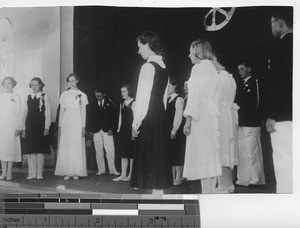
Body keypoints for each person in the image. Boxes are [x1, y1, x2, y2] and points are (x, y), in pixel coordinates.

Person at [131, 31, 173, 191]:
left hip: (148, 116)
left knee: (149, 160)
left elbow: (142, 97)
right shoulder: (164, 67)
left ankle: (154, 203)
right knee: (158, 161)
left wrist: (136, 123)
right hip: (160, 116)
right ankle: (157, 200)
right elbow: (163, 98)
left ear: (147, 45)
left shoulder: (147, 67)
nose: (138, 51)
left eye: (140, 47)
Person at [183, 39, 222, 194]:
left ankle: (206, 195)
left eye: (190, 51)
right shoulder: (213, 69)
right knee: (210, 157)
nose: (188, 54)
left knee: (202, 157)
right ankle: (210, 193)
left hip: (200, 116)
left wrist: (188, 119)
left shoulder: (198, 69)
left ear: (197, 51)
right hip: (211, 116)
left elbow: (194, 96)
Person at [265, 7, 293, 193]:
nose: (271, 26)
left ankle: (286, 198)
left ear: (281, 23)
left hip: (283, 114)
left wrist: (272, 114)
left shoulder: (280, 47)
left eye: (272, 22)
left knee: (284, 156)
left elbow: (279, 83)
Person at [236, 61, 265, 186]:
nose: (240, 72)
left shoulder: (254, 82)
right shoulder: (242, 84)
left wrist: (257, 118)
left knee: (253, 152)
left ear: (249, 69)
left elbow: (257, 102)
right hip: (242, 123)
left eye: (242, 69)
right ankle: (244, 179)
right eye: (239, 70)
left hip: (252, 123)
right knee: (243, 152)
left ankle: (257, 179)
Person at [54, 73, 88, 180]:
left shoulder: (82, 95)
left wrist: (83, 127)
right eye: (70, 81)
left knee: (76, 145)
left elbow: (83, 111)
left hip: (77, 121)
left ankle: (76, 171)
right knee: (66, 145)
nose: (71, 83)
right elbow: (62, 110)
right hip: (66, 121)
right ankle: (67, 171)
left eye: (73, 80)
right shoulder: (64, 94)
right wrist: (59, 125)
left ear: (77, 81)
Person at [213, 55, 238, 193]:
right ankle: (229, 183)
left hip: (222, 116)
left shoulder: (220, 78)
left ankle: (222, 185)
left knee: (221, 149)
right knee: (228, 148)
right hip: (229, 116)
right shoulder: (231, 78)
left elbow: (217, 101)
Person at [22, 77, 51, 180]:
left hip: (41, 126)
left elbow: (47, 113)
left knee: (40, 150)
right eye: (32, 85)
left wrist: (47, 127)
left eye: (36, 85)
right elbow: (24, 114)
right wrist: (24, 128)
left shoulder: (44, 97)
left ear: (40, 86)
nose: (34, 87)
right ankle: (33, 173)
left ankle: (39, 173)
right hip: (30, 126)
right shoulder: (27, 97)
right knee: (32, 151)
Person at [89, 87, 119, 176]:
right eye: (97, 95)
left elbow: (114, 117)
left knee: (110, 150)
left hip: (107, 130)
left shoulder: (110, 103)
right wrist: (91, 130)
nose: (98, 97)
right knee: (98, 150)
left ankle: (112, 170)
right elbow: (90, 117)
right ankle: (101, 170)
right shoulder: (92, 103)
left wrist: (112, 129)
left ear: (104, 94)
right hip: (96, 130)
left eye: (100, 95)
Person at [0, 76, 22, 181]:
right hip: (2, 127)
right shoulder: (1, 96)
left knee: (10, 149)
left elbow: (19, 114)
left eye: (9, 83)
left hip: (12, 126)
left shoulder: (16, 96)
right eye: (5, 83)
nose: (7, 85)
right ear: (3, 85)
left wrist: (18, 127)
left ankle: (9, 171)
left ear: (13, 84)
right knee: (3, 150)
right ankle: (3, 172)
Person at [113, 84, 135, 182]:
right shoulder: (122, 104)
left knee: (131, 153)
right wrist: (119, 129)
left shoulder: (134, 103)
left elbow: (136, 118)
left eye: (124, 91)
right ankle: (123, 174)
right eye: (121, 92)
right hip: (123, 131)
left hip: (131, 131)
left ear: (129, 91)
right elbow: (120, 119)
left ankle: (130, 175)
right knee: (124, 153)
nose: (122, 94)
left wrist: (135, 131)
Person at [166, 78, 185, 185]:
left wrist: (174, 130)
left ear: (175, 87)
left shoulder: (178, 99)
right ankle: (171, 177)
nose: (167, 88)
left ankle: (178, 178)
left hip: (176, 132)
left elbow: (178, 116)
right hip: (168, 130)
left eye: (169, 86)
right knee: (171, 154)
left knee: (177, 154)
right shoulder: (167, 99)